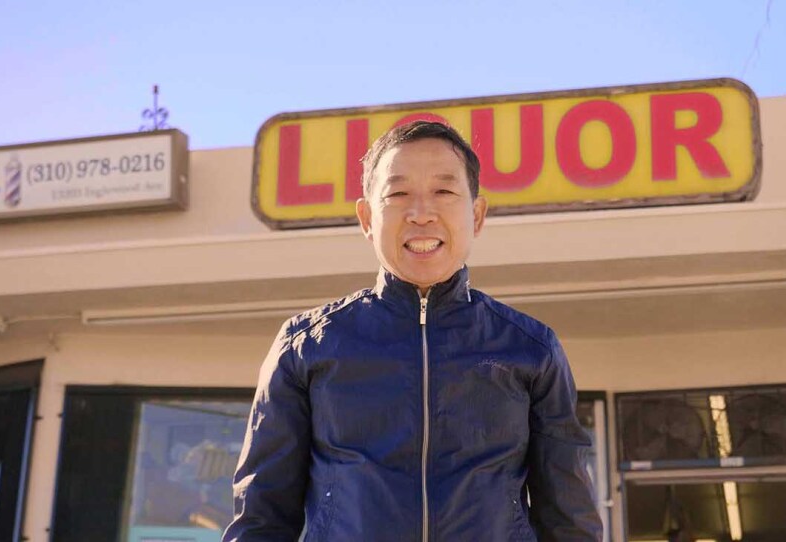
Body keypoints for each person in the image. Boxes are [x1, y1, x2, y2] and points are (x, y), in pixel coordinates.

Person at [223, 121, 602, 541]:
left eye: (444, 192)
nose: (421, 213)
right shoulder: (305, 347)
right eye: (398, 194)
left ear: (476, 214)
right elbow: (261, 519)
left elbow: (569, 521)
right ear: (366, 217)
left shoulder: (531, 349)